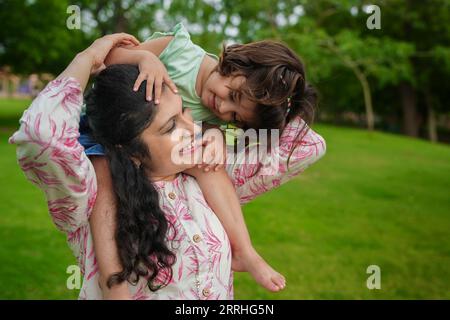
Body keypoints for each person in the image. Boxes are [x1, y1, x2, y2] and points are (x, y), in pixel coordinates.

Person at [83, 23, 319, 298]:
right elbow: (104, 62)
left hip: (159, 148)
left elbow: (205, 130)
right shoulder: (179, 50)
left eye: (234, 117)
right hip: (104, 129)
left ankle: (244, 250)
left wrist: (218, 135)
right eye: (234, 95)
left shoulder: (214, 113)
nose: (223, 108)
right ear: (234, 64)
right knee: (105, 187)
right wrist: (143, 58)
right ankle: (115, 287)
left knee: (211, 166)